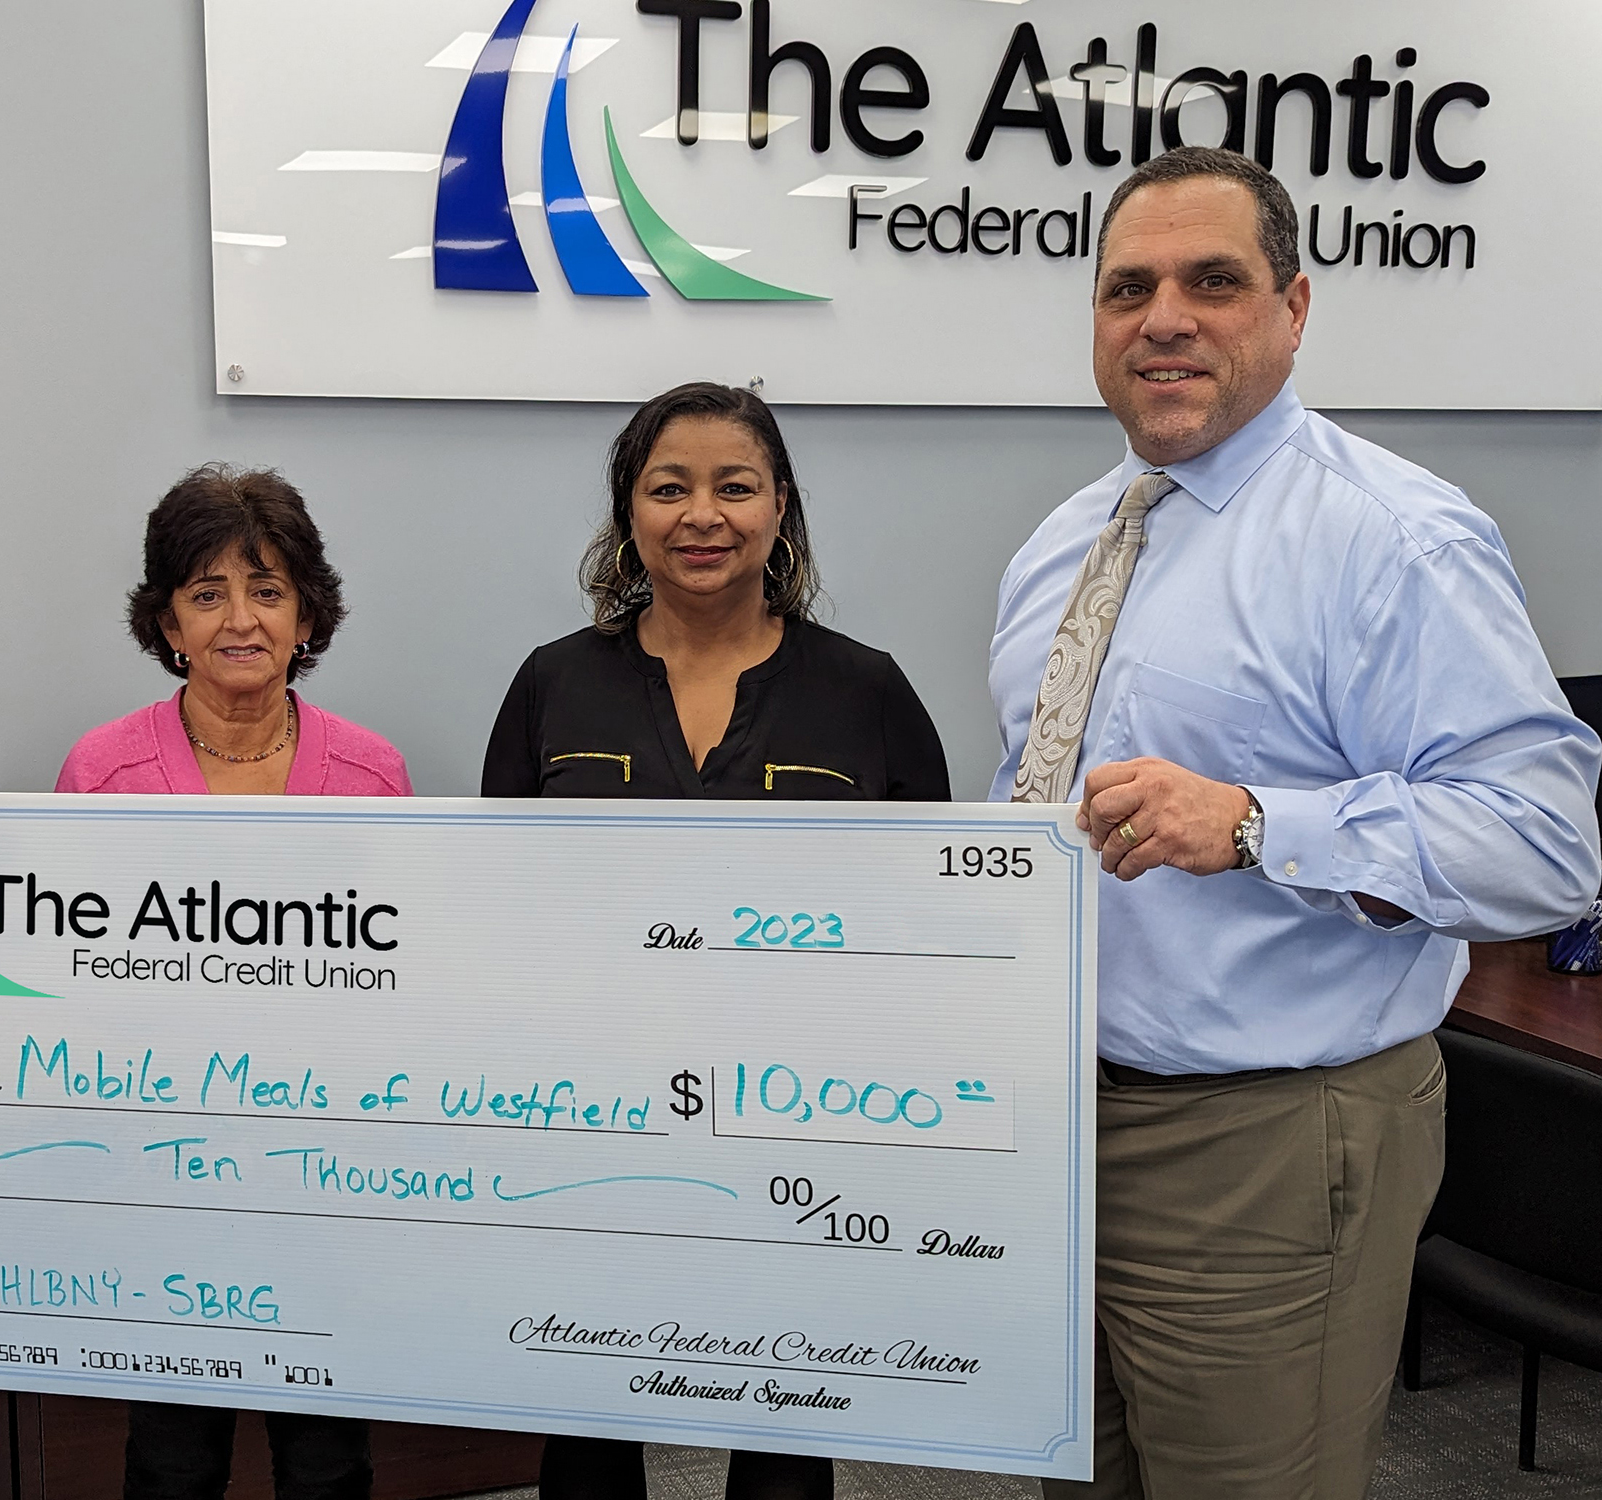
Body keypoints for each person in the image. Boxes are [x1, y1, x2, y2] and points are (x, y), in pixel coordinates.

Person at [988, 146, 1602, 1499]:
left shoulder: (1394, 539)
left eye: (1213, 281)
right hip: (1051, 1127)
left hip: (1264, 1144)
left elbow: (1546, 844)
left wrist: (1265, 824)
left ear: (1295, 306)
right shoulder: (1063, 543)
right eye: (1128, 287)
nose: (1165, 317)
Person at [483, 381, 951, 1500]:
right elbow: (488, 909)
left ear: (778, 509)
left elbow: (933, 923)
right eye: (669, 487)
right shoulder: (552, 685)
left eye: (734, 487)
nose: (703, 514)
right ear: (626, 513)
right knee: (586, 1401)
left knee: (782, 1407)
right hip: (587, 1118)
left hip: (795, 1125)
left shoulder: (865, 692)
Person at [57, 464, 407, 1499]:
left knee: (327, 1454)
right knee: (172, 1454)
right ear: (167, 619)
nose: (238, 620)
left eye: (266, 590)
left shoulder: (373, 773)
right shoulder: (102, 772)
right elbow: (77, 986)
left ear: (308, 614)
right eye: (206, 594)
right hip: (168, 1177)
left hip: (324, 1173)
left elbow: (399, 985)